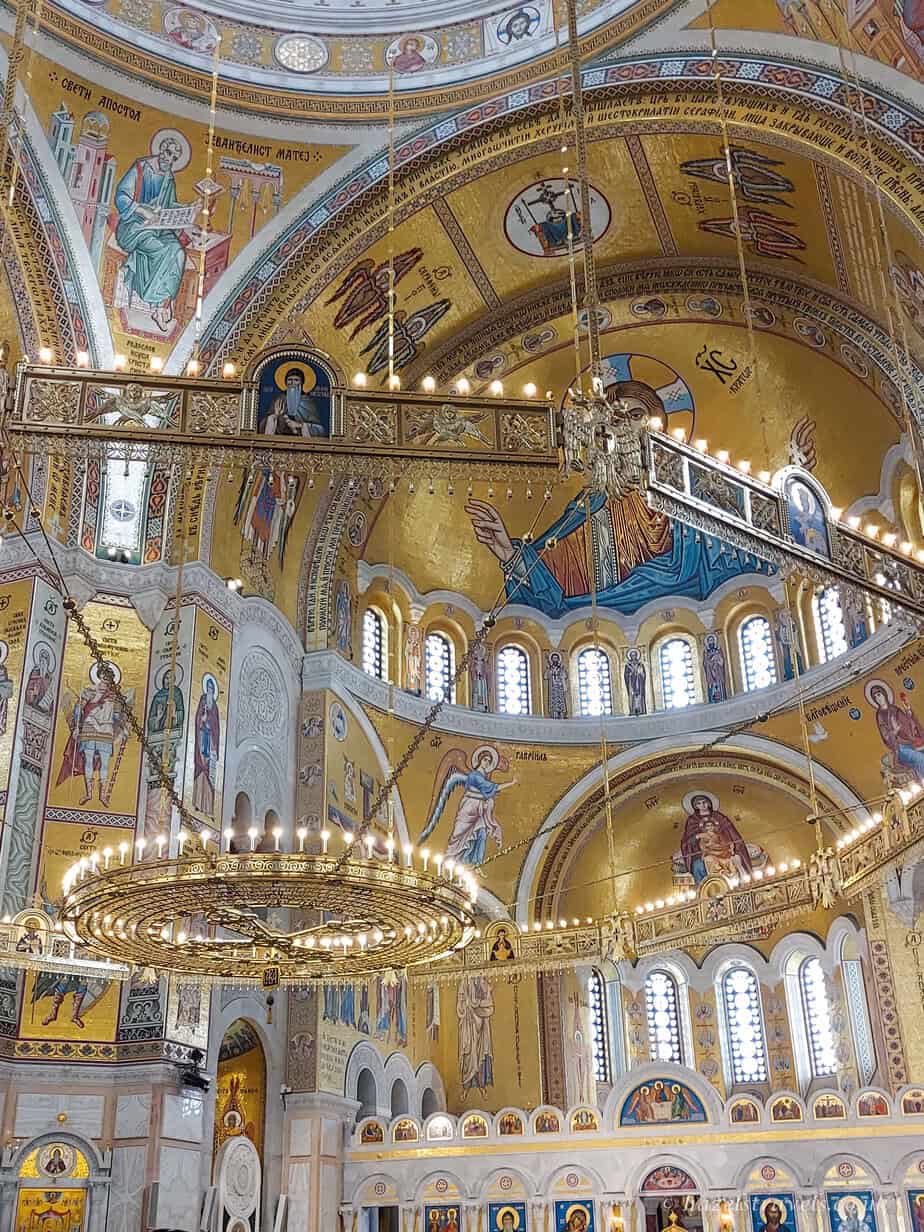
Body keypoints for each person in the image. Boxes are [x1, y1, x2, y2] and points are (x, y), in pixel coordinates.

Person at [114, 135, 197, 334]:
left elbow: (168, 205)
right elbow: (121, 196)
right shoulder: (141, 168)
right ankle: (158, 303)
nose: (170, 160)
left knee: (178, 252)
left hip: (158, 226)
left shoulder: (169, 176)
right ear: (160, 150)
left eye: (175, 158)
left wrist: (188, 208)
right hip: (135, 226)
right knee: (163, 251)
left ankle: (163, 305)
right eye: (168, 153)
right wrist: (143, 211)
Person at [419, 746, 517, 866]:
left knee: (481, 832)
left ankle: (474, 863)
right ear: (480, 760)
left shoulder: (484, 776)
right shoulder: (475, 775)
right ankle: (449, 859)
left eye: (489, 761)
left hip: (479, 809)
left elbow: (488, 790)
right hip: (469, 807)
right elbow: (493, 787)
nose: (487, 763)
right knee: (458, 834)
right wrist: (511, 783)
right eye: (485, 760)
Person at [56, 662, 127, 806]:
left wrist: (123, 727)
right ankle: (88, 793)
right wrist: (77, 727)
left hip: (106, 731)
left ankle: (102, 795)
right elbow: (78, 712)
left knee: (105, 763)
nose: (103, 681)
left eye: (107, 678)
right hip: (89, 728)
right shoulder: (88, 692)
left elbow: (117, 716)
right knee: (88, 760)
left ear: (111, 680)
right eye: (101, 677)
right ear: (98, 677)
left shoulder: (115, 697)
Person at [680, 793, 752, 885]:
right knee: (697, 865)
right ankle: (706, 888)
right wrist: (698, 836)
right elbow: (687, 841)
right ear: (695, 806)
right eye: (699, 803)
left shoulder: (719, 817)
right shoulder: (692, 820)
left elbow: (732, 834)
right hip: (706, 853)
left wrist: (731, 845)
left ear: (709, 803)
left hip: (723, 850)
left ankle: (739, 883)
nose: (702, 805)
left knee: (735, 859)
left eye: (704, 802)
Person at [868, 679, 924, 779]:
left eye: (879, 695)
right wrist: (895, 731)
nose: (878, 698)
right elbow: (886, 736)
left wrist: (908, 711)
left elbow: (908, 723)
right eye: (875, 697)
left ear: (884, 694)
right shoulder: (880, 715)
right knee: (920, 758)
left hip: (910, 741)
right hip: (900, 748)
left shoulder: (894, 709)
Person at [262, 368, 326, 437]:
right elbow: (263, 426)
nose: (292, 383)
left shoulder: (308, 401)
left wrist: (301, 425)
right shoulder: (279, 399)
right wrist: (275, 416)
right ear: (286, 382)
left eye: (296, 380)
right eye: (290, 380)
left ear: (302, 382)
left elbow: (320, 430)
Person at [457, 975, 494, 1096]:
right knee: (469, 1053)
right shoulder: (465, 982)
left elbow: (490, 1005)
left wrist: (476, 1003)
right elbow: (460, 1004)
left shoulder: (484, 983)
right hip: (468, 1023)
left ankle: (481, 1085)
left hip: (481, 1025)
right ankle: (466, 1086)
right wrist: (466, 1005)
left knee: (480, 1055)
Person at [192, 675, 220, 817]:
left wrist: (209, 721)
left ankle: (207, 807)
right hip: (201, 739)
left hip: (210, 744)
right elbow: (198, 719)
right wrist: (202, 721)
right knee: (200, 769)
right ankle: (197, 803)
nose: (209, 690)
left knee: (209, 773)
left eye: (211, 688)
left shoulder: (214, 706)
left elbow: (217, 727)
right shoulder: (203, 701)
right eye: (208, 688)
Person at [25, 644, 54, 712]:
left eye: (45, 661)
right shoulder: (35, 671)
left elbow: (50, 692)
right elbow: (30, 684)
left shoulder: (49, 677)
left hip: (43, 703)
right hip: (33, 698)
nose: (43, 662)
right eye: (41, 660)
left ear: (48, 663)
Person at [703, 633, 728, 703]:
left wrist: (717, 658)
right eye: (709, 641)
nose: (711, 642)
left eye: (712, 640)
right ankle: (712, 700)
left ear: (714, 641)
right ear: (707, 642)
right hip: (711, 675)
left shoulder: (718, 650)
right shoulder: (706, 652)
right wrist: (710, 662)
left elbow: (722, 661)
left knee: (720, 685)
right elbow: (705, 663)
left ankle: (722, 697)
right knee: (712, 687)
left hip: (718, 673)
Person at [624, 648, 646, 716]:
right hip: (632, 683)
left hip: (639, 683)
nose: (633, 656)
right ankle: (632, 711)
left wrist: (640, 673)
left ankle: (641, 710)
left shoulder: (640, 664)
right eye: (632, 655)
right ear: (630, 656)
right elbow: (626, 675)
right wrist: (630, 674)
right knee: (632, 696)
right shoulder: (628, 665)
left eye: (634, 655)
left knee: (639, 695)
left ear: (636, 656)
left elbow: (643, 674)